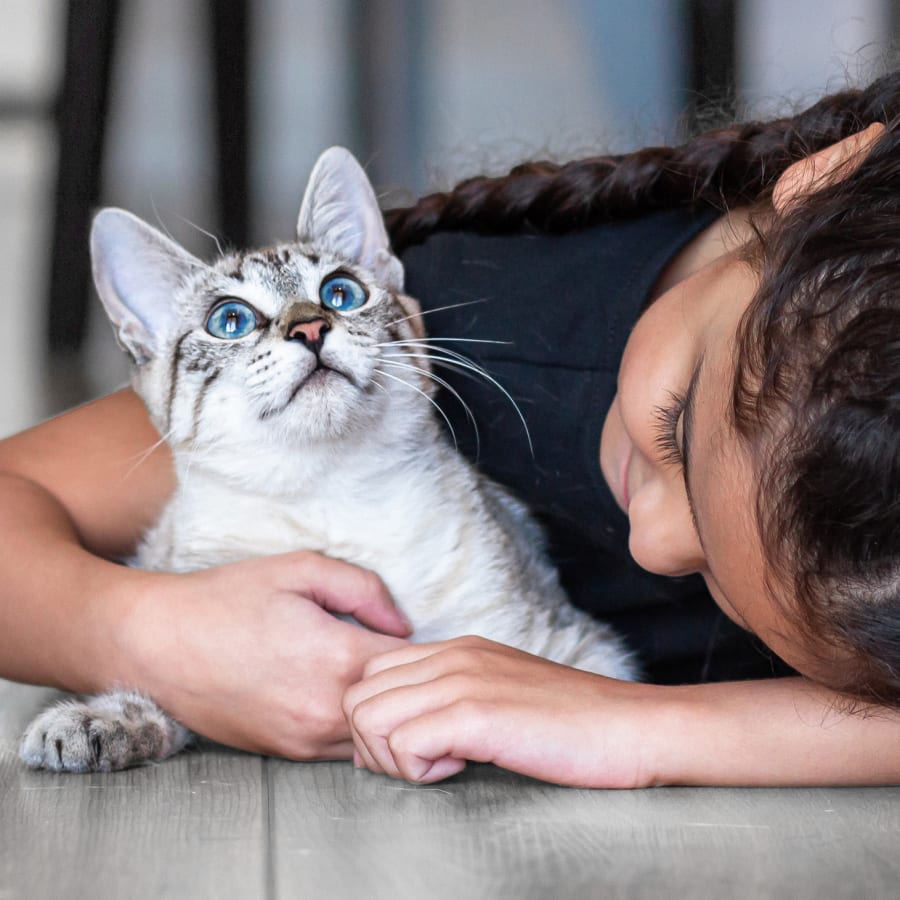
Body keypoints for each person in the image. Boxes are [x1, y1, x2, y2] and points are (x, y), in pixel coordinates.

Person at [1, 72, 899, 787]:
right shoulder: (472, 317)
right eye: (673, 429)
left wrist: (653, 729)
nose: (655, 546)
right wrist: (141, 637)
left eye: (732, 591)